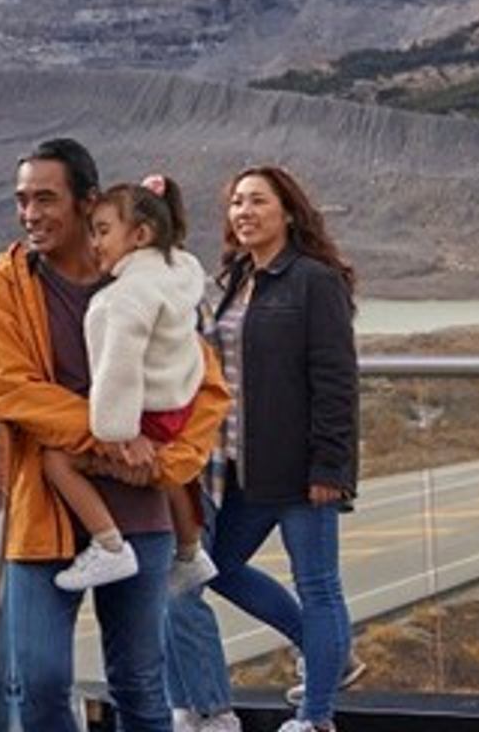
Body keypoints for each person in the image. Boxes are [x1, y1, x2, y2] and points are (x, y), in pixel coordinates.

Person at [0, 139, 229, 732]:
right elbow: (1, 386)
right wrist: (106, 437)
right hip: (45, 512)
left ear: (88, 203)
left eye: (45, 198)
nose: (30, 213)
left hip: (142, 507)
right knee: (37, 682)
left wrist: (169, 463)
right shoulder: (3, 289)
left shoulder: (143, 281)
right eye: (21, 200)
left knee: (140, 680)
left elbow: (205, 386)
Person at [167, 165, 362, 732]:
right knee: (216, 567)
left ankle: (315, 716)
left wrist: (331, 465)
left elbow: (335, 380)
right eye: (235, 203)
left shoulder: (313, 280)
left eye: (257, 202)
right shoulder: (232, 279)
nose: (244, 212)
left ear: (288, 212)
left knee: (319, 584)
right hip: (239, 467)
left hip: (302, 468)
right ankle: (326, 649)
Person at [43, 175, 216, 595]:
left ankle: (109, 545)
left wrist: (118, 433)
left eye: (103, 231)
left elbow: (117, 372)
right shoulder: (181, 271)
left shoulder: (121, 298)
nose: (95, 244)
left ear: (140, 235)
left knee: (57, 461)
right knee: (170, 471)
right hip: (178, 408)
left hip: (149, 417)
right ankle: (191, 551)